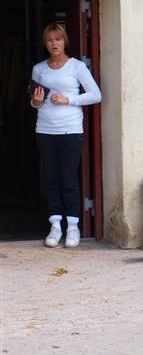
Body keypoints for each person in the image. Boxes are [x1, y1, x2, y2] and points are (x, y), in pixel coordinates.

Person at [29, 23, 101, 249]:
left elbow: (96, 95)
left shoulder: (76, 66)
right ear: (45, 43)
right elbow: (34, 101)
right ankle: (55, 225)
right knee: (51, 178)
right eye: (50, 40)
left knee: (68, 178)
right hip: (45, 129)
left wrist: (68, 100)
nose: (54, 44)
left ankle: (72, 226)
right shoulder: (39, 68)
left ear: (64, 41)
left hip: (70, 129)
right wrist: (36, 102)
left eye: (58, 39)